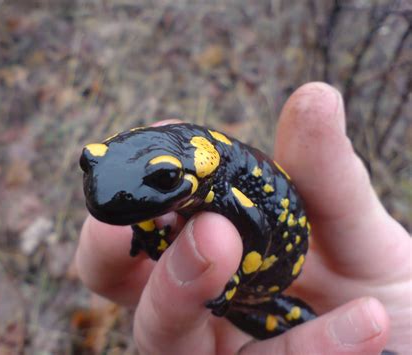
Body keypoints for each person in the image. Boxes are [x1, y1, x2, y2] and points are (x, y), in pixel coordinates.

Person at [75, 83, 411, 354]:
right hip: (243, 298)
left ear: (202, 172)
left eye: (166, 177)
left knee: (286, 318)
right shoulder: (184, 170)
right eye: (90, 162)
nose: (100, 189)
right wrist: (147, 227)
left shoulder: (219, 181)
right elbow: (138, 194)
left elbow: (257, 228)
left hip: (272, 273)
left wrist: (233, 278)